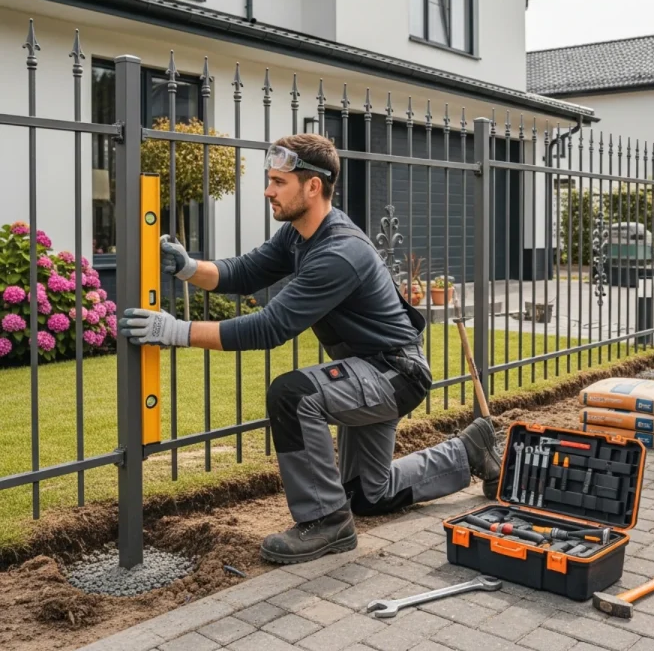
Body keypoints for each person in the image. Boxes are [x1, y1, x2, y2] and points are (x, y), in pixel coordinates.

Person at [118, 133, 500, 565]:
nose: (268, 191)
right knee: (368, 494)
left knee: (293, 395)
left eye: (279, 182)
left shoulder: (339, 252)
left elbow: (270, 327)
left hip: (395, 374)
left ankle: (325, 521)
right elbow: (245, 272)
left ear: (313, 186)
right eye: (270, 180)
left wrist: (175, 331)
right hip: (369, 369)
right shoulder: (299, 235)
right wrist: (190, 268)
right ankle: (469, 450)